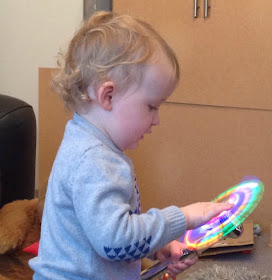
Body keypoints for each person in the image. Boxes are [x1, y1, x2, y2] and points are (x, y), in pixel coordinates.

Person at [29, 11, 233, 280]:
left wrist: (156, 246)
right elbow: (116, 240)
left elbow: (106, 229)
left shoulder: (86, 141)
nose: (156, 119)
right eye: (151, 106)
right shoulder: (94, 160)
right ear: (108, 96)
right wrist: (183, 218)